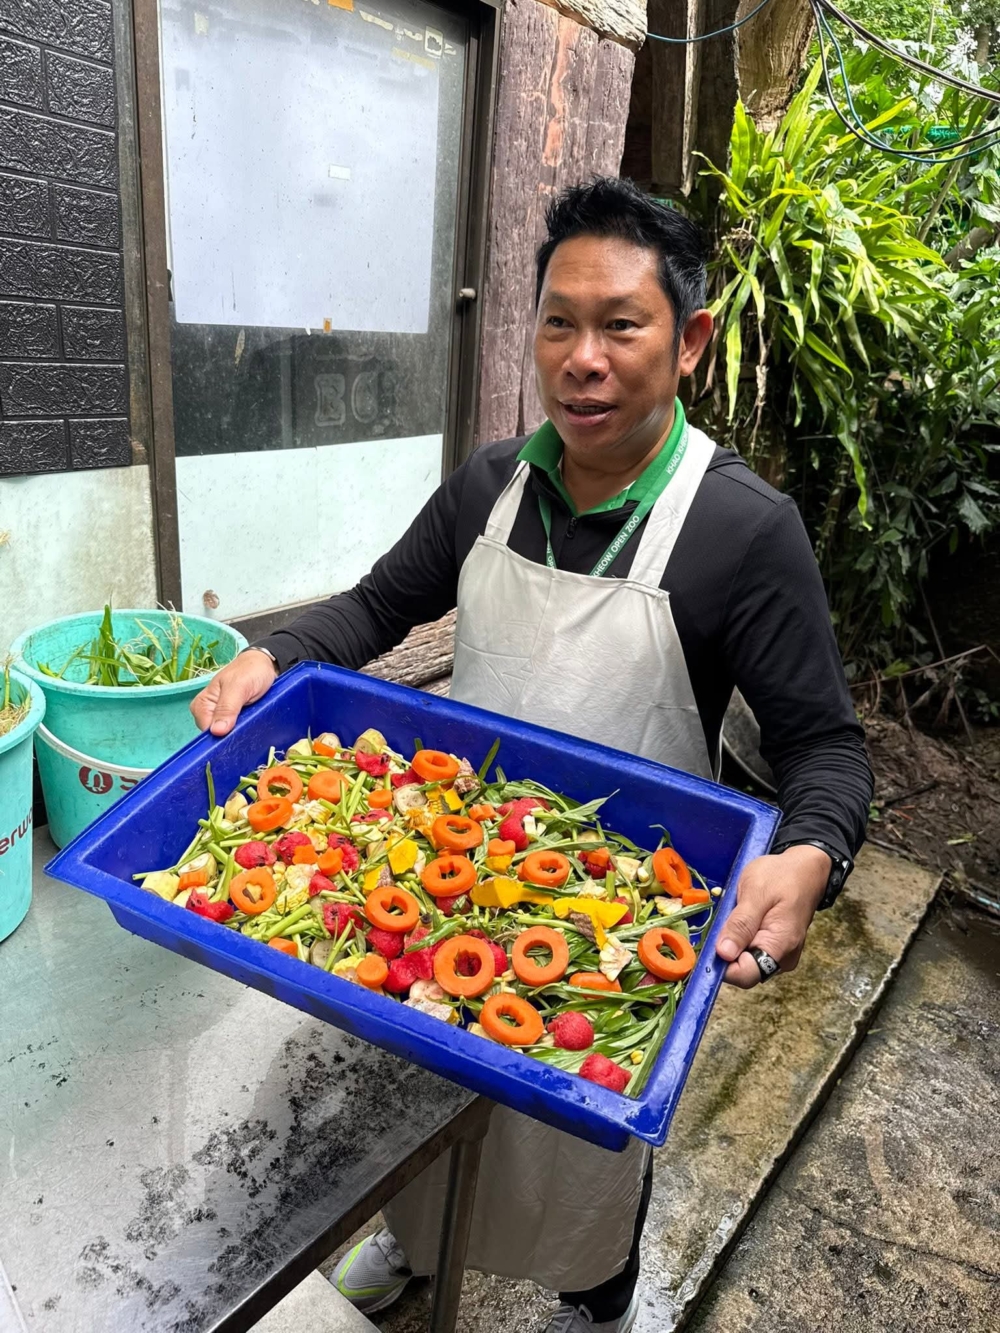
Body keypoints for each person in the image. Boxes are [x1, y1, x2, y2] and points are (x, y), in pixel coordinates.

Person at [192, 177, 873, 1333]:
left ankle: (595, 1292)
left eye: (621, 324)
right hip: (454, 858)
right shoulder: (488, 487)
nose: (582, 359)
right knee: (414, 1082)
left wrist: (809, 853)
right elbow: (374, 607)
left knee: (580, 1143)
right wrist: (277, 655)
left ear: (689, 341)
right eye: (559, 322)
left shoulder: (741, 531)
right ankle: (410, 1241)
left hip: (617, 901)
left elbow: (825, 750)